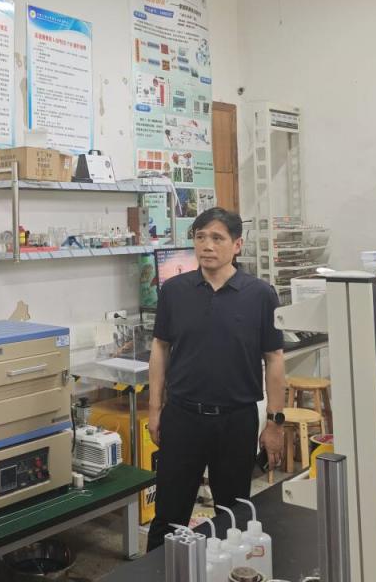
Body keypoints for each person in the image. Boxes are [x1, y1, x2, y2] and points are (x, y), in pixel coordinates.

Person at [146, 207, 286, 551]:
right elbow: (160, 348)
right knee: (168, 515)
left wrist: (274, 423)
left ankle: (228, 571)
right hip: (182, 417)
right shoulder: (175, 291)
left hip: (235, 421)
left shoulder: (260, 294)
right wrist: (154, 409)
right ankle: (159, 572)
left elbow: (274, 359)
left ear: (237, 245)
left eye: (217, 238)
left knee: (232, 516)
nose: (207, 245)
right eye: (200, 237)